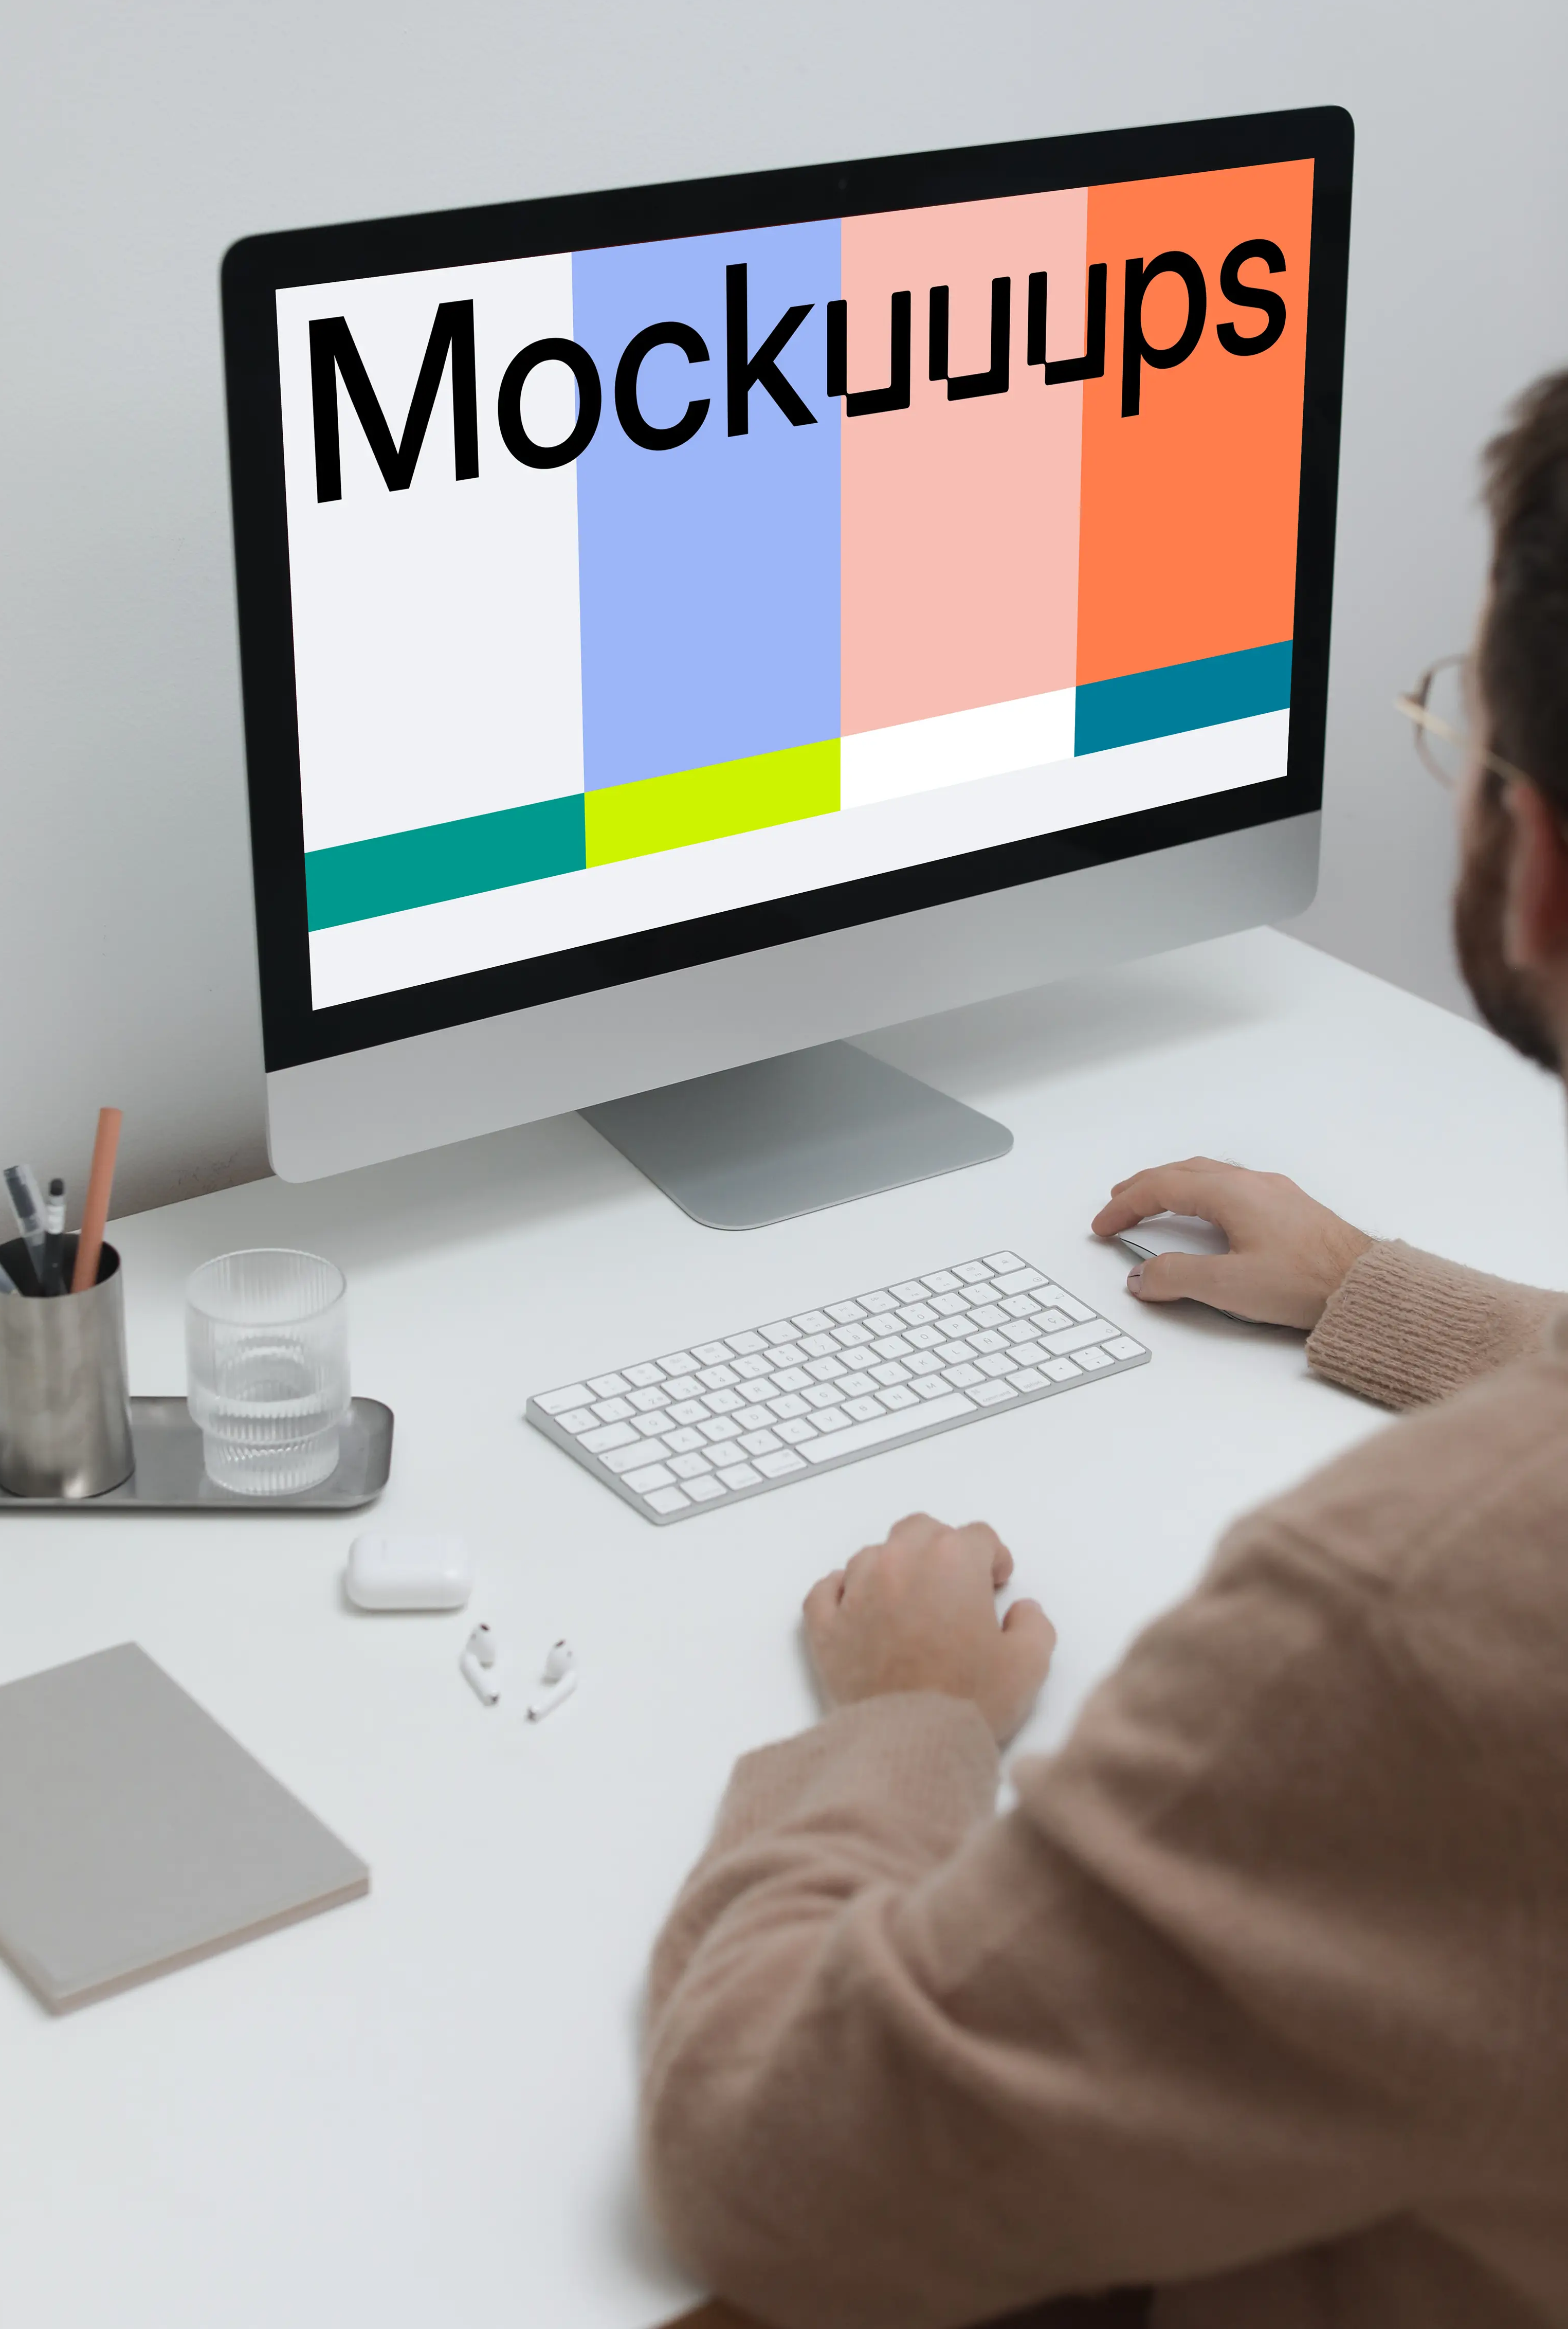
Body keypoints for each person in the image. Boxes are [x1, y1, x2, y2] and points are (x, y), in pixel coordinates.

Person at [639, 369, 1568, 2329]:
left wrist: (901, 1721)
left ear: (1538, 858)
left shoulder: (1422, 1621)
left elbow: (772, 2164)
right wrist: (1375, 1292)